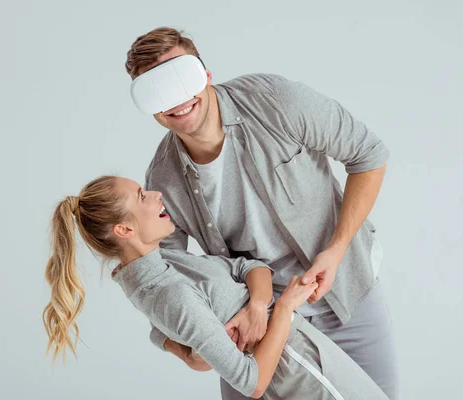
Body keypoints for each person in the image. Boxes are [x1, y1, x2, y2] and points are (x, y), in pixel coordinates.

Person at [124, 27, 398, 399]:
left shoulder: (275, 100)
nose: (177, 99)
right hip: (255, 325)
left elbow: (368, 154)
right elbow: (160, 272)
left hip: (344, 291)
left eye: (180, 77)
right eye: (157, 91)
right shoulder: (163, 179)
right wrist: (177, 346)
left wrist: (335, 250)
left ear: (205, 74)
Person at [42, 175, 389, 399]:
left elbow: (249, 266)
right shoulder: (168, 290)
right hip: (301, 375)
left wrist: (257, 307)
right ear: (124, 231)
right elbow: (252, 383)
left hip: (305, 358)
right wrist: (283, 308)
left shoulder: (166, 265)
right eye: (142, 196)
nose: (157, 195)